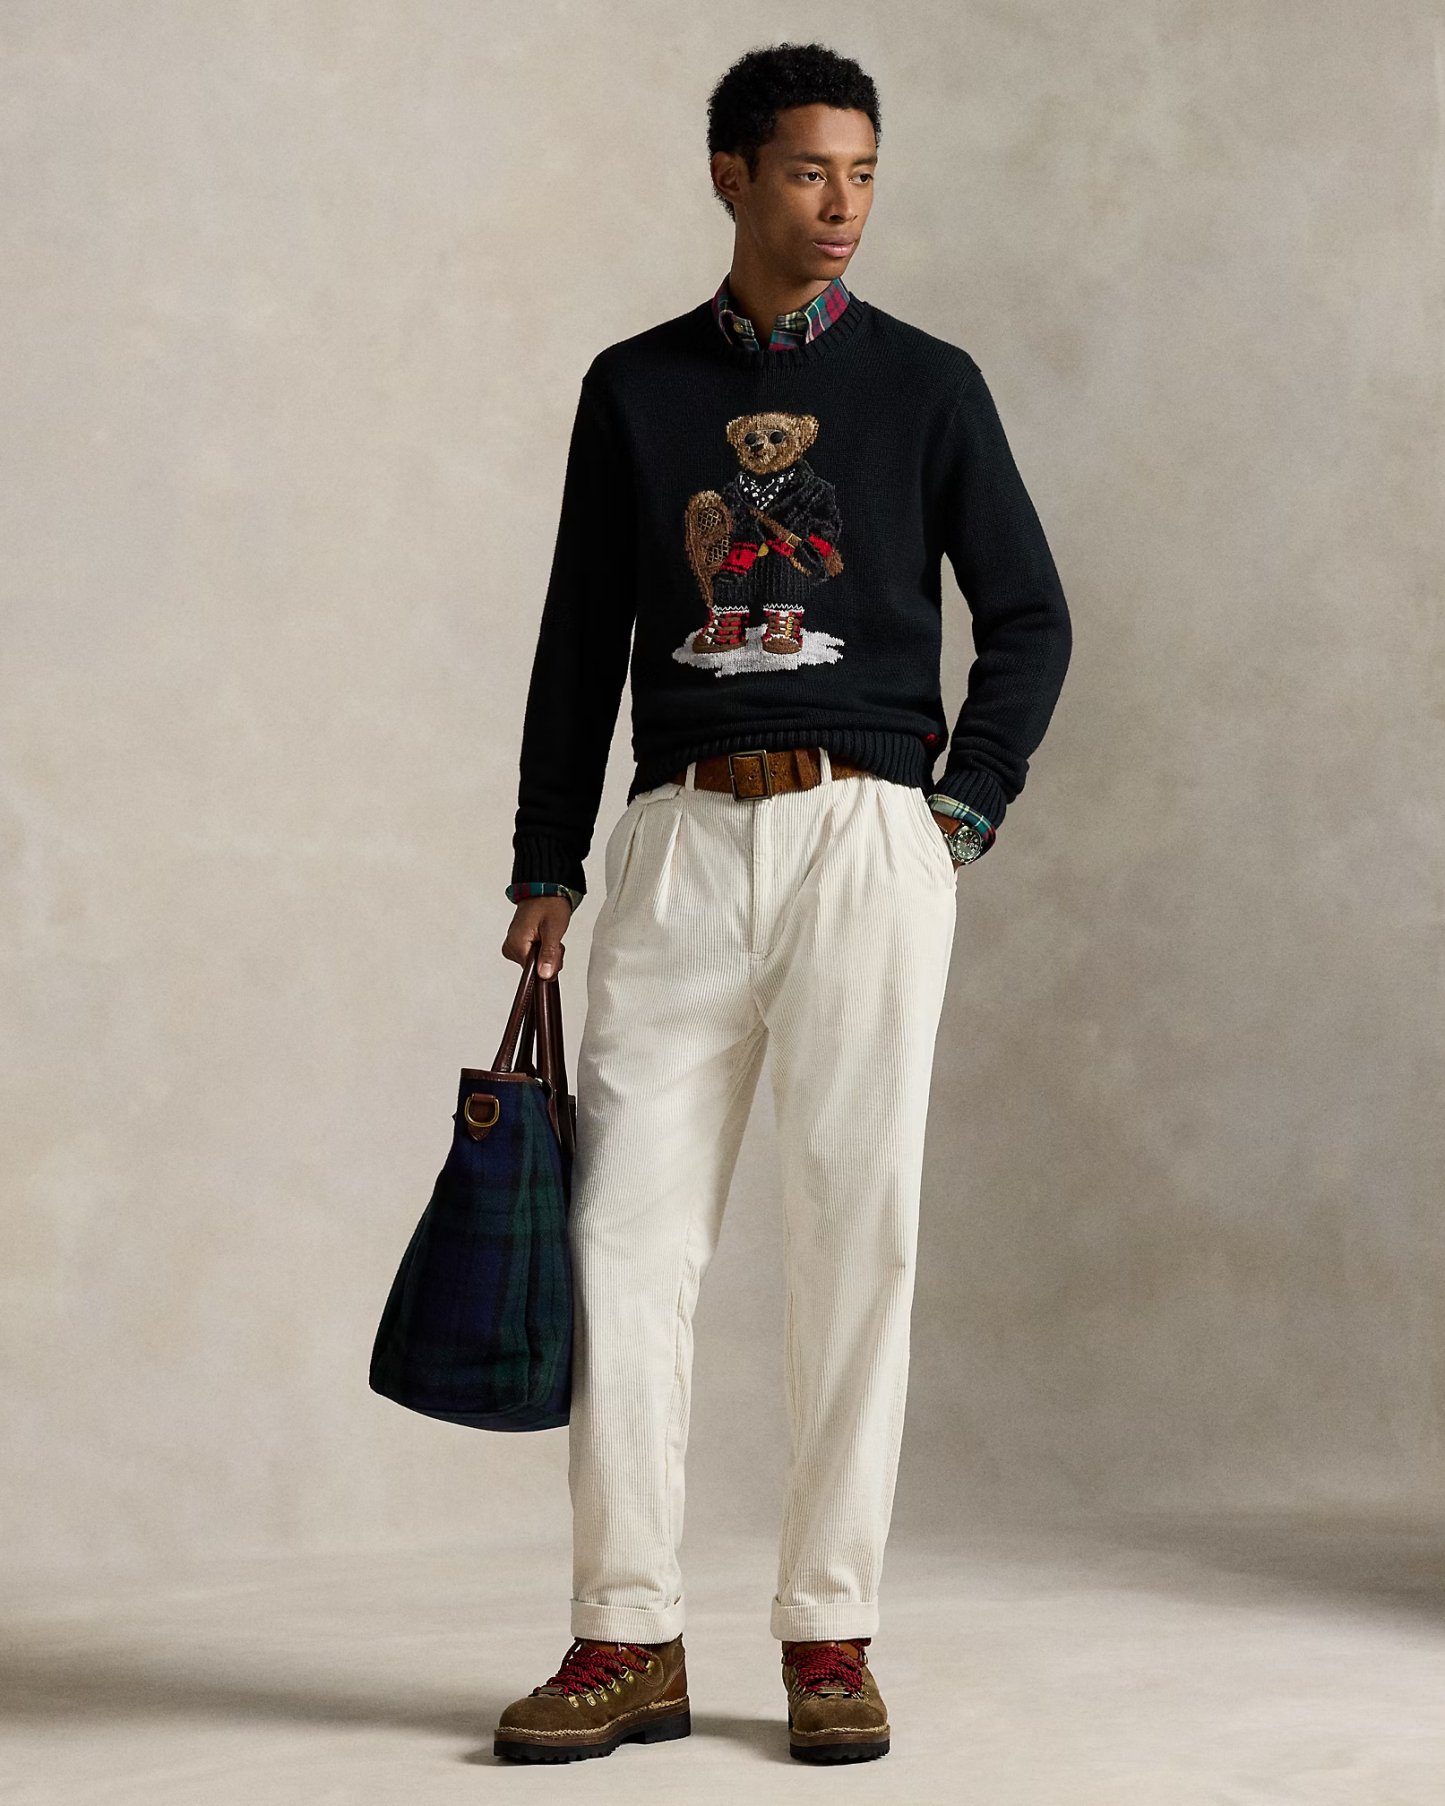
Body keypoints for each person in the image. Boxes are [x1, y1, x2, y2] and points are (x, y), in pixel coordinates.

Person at [491, 41, 1072, 1766]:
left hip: (865, 839)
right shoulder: (632, 389)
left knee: (857, 1228)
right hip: (678, 842)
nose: (842, 205)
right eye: (811, 170)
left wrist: (959, 808)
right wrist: (546, 858)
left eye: (865, 173)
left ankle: (830, 1632)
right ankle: (627, 1632)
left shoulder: (931, 385)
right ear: (731, 175)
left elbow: (1030, 616)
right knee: (622, 1237)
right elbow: (578, 639)